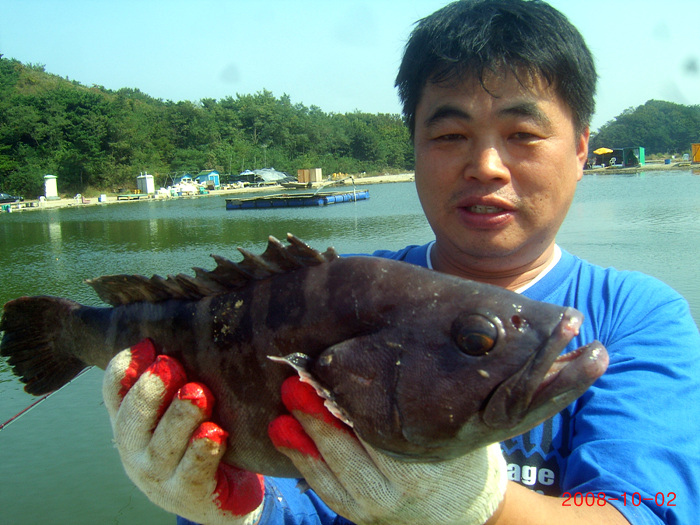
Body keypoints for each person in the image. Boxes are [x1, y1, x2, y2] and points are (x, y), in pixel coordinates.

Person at [102, 1, 700, 524]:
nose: (486, 166)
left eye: (522, 133)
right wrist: (237, 508)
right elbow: (297, 504)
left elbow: (645, 511)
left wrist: (479, 506)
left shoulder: (637, 318)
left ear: (580, 148)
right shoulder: (335, 296)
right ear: (413, 147)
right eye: (449, 136)